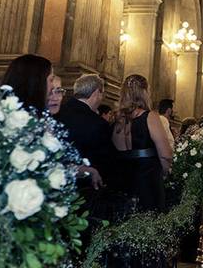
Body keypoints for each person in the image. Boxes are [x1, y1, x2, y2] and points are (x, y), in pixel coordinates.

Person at [112, 74, 173, 212]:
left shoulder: (118, 119)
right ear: (145, 92)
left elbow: (118, 152)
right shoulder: (150, 116)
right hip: (148, 180)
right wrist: (163, 172)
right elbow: (166, 154)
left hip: (124, 180)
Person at [55, 74, 115, 185]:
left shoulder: (56, 113)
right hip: (86, 186)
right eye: (102, 94)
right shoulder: (98, 123)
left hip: (57, 180)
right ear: (97, 92)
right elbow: (106, 162)